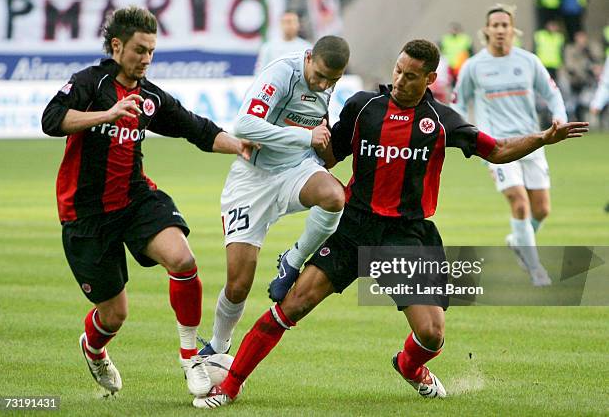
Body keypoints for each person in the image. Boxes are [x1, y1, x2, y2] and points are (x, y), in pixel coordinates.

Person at [193, 39, 587, 408]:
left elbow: (497, 150)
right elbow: (330, 158)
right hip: (354, 226)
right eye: (397, 71)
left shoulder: (440, 120)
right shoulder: (364, 107)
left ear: (430, 78)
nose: (399, 80)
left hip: (406, 235)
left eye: (410, 75)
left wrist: (541, 139)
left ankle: (410, 365)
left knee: (432, 335)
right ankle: (228, 386)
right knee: (291, 304)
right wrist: (303, 141)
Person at [41, 6, 255, 398]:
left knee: (184, 260)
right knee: (114, 315)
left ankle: (190, 356)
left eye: (152, 51)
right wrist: (106, 113)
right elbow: (51, 120)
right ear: (117, 45)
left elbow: (196, 128)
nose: (146, 59)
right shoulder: (90, 82)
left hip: (135, 199)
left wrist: (238, 145)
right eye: (140, 50)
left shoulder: (150, 96)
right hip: (85, 215)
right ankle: (94, 348)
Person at [197, 36, 349, 358]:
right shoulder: (282, 73)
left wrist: (323, 146)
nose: (323, 84)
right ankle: (218, 346)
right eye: (319, 75)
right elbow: (244, 125)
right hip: (252, 181)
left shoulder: (326, 84)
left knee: (335, 196)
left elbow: (319, 127)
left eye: (331, 80)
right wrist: (304, 136)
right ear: (309, 57)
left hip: (295, 170)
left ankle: (292, 260)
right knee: (238, 284)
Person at [452, 5, 569, 286]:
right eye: (496, 25)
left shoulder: (529, 62)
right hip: (497, 148)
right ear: (487, 30)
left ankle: (518, 240)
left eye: (506, 25)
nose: (501, 30)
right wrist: (463, 135)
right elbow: (457, 103)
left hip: (532, 142)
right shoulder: (474, 66)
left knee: (541, 210)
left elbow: (553, 95)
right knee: (519, 202)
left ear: (512, 29)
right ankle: (535, 268)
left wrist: (560, 120)